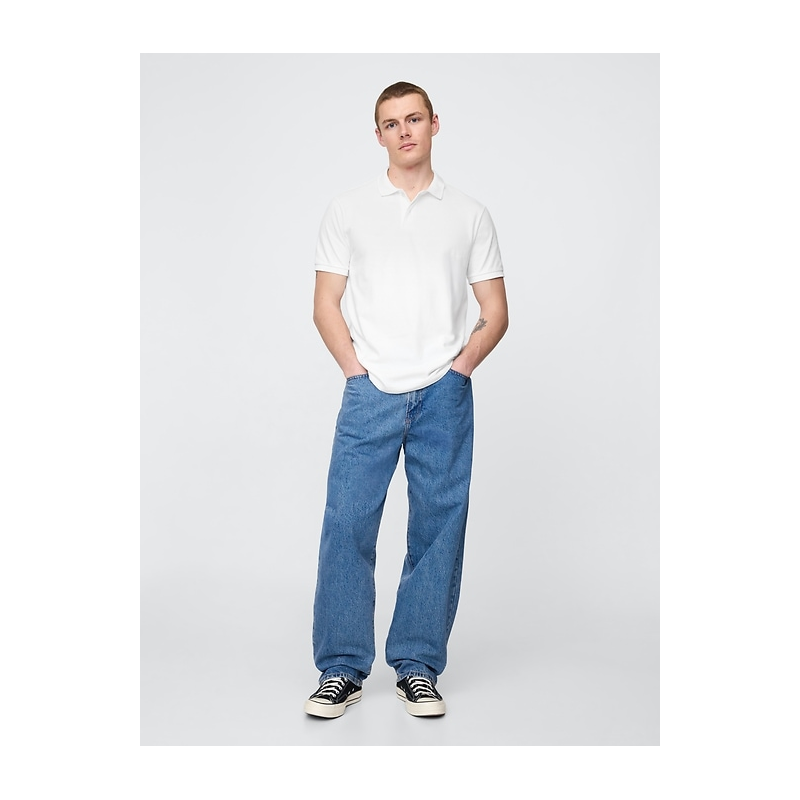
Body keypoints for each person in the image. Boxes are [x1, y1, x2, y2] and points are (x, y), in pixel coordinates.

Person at [305, 81, 508, 719]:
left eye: (414, 119)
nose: (404, 132)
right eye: (391, 124)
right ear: (378, 135)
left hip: (444, 392)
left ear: (434, 123)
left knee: (438, 529)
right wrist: (356, 372)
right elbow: (325, 302)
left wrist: (459, 370)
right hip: (370, 392)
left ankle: (417, 665)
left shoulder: (469, 213)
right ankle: (341, 668)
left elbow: (495, 308)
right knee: (347, 524)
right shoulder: (348, 209)